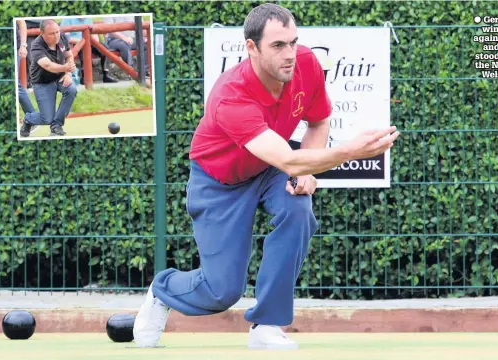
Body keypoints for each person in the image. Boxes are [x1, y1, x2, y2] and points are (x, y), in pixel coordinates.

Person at [132, 3, 399, 350]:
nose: (290, 54)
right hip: (220, 182)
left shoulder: (306, 64)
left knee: (298, 210)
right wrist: (347, 152)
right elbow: (288, 157)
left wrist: (307, 175)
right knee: (221, 291)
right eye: (278, 46)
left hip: (270, 166)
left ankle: (267, 325)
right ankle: (163, 291)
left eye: (293, 42)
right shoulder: (230, 95)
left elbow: (317, 123)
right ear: (251, 48)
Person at [19, 19, 77, 137]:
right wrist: (65, 68)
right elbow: (48, 66)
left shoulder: (61, 38)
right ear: (42, 34)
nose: (56, 36)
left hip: (60, 77)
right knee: (46, 119)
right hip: (42, 82)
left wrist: (68, 74)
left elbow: (69, 56)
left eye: (57, 32)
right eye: (52, 33)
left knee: (71, 90)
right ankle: (28, 119)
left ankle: (56, 126)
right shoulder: (36, 46)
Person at [59, 17, 118, 85]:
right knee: (84, 48)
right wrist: (83, 41)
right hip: (75, 44)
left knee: (104, 48)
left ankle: (106, 74)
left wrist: (95, 42)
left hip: (90, 41)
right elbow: (66, 38)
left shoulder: (88, 18)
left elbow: (93, 33)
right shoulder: (67, 19)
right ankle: (84, 76)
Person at [103, 15, 150, 86]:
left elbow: (143, 29)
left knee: (146, 44)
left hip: (132, 39)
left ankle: (145, 72)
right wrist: (124, 37)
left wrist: (148, 33)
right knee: (124, 45)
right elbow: (110, 30)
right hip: (114, 40)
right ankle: (131, 72)